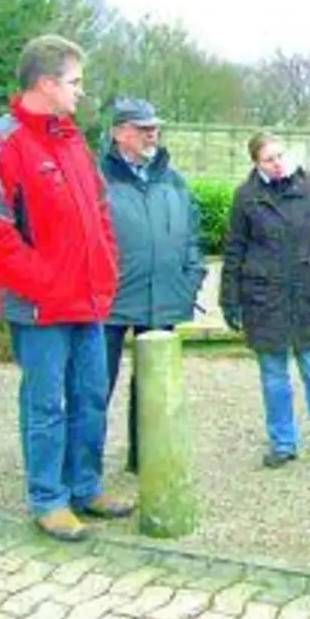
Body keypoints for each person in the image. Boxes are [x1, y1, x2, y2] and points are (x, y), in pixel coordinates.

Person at [0, 34, 132, 542]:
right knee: (46, 403)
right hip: (39, 307)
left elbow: (99, 210)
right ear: (47, 83)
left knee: (90, 396)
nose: (81, 91)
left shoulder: (72, 140)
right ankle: (48, 499)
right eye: (75, 82)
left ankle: (84, 487)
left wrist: (106, 267)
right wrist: (45, 283)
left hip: (87, 302)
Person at [220, 134, 310, 470]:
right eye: (268, 159)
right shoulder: (246, 197)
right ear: (256, 163)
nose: (277, 163)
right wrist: (229, 298)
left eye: (280, 155)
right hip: (263, 299)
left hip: (307, 294)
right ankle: (282, 442)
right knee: (274, 376)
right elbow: (234, 248)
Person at [98, 98, 207, 475]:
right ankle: (83, 468)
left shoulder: (173, 181)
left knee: (154, 389)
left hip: (163, 298)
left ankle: (146, 460)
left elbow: (192, 235)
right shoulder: (97, 178)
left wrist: (190, 279)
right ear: (118, 133)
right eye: (142, 128)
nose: (151, 134)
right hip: (109, 301)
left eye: (154, 128)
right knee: (95, 387)